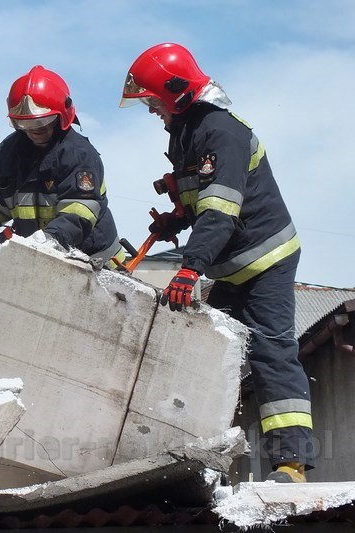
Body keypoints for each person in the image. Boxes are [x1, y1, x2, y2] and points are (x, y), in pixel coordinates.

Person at [119, 43, 314, 482]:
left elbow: (222, 210)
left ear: (177, 93)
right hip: (232, 266)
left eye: (152, 101)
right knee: (207, 355)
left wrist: (190, 268)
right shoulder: (186, 129)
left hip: (267, 261)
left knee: (270, 354)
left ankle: (292, 465)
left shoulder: (220, 131)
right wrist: (179, 216)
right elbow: (204, 198)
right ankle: (205, 460)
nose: (150, 109)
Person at [0, 65, 123, 276]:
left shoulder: (79, 155)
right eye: (25, 124)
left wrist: (44, 243)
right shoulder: (6, 156)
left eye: (42, 122)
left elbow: (78, 212)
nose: (34, 131)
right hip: (41, 261)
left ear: (61, 116)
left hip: (95, 264)